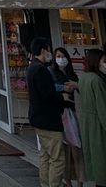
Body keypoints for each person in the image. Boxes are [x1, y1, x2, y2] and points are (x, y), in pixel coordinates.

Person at [27, 36, 68, 187]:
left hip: (38, 119)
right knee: (57, 159)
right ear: (43, 50)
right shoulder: (40, 70)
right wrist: (61, 97)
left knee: (45, 156)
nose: (50, 54)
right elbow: (47, 95)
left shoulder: (32, 68)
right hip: (48, 120)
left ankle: (45, 184)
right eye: (50, 51)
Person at [49, 47, 84, 187]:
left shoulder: (72, 75)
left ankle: (80, 181)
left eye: (63, 56)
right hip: (61, 113)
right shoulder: (52, 73)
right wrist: (63, 88)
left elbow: (81, 89)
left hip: (74, 113)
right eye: (58, 56)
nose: (60, 59)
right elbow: (50, 89)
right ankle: (68, 182)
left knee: (76, 149)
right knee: (65, 150)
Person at [78, 49, 106, 187]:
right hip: (98, 125)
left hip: (87, 123)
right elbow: (103, 109)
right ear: (96, 61)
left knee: (95, 159)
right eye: (104, 61)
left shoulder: (83, 77)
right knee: (102, 159)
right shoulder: (97, 80)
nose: (105, 64)